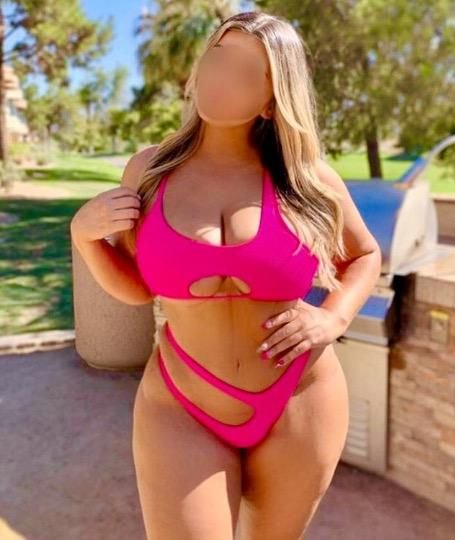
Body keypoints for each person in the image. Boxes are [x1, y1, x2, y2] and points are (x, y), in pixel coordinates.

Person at [70, 10, 382, 540]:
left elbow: (365, 254)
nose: (220, 78)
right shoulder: (150, 171)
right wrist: (85, 237)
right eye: (217, 58)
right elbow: (138, 288)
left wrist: (333, 319)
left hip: (300, 400)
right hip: (181, 405)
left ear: (272, 99)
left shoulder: (307, 178)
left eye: (246, 72)